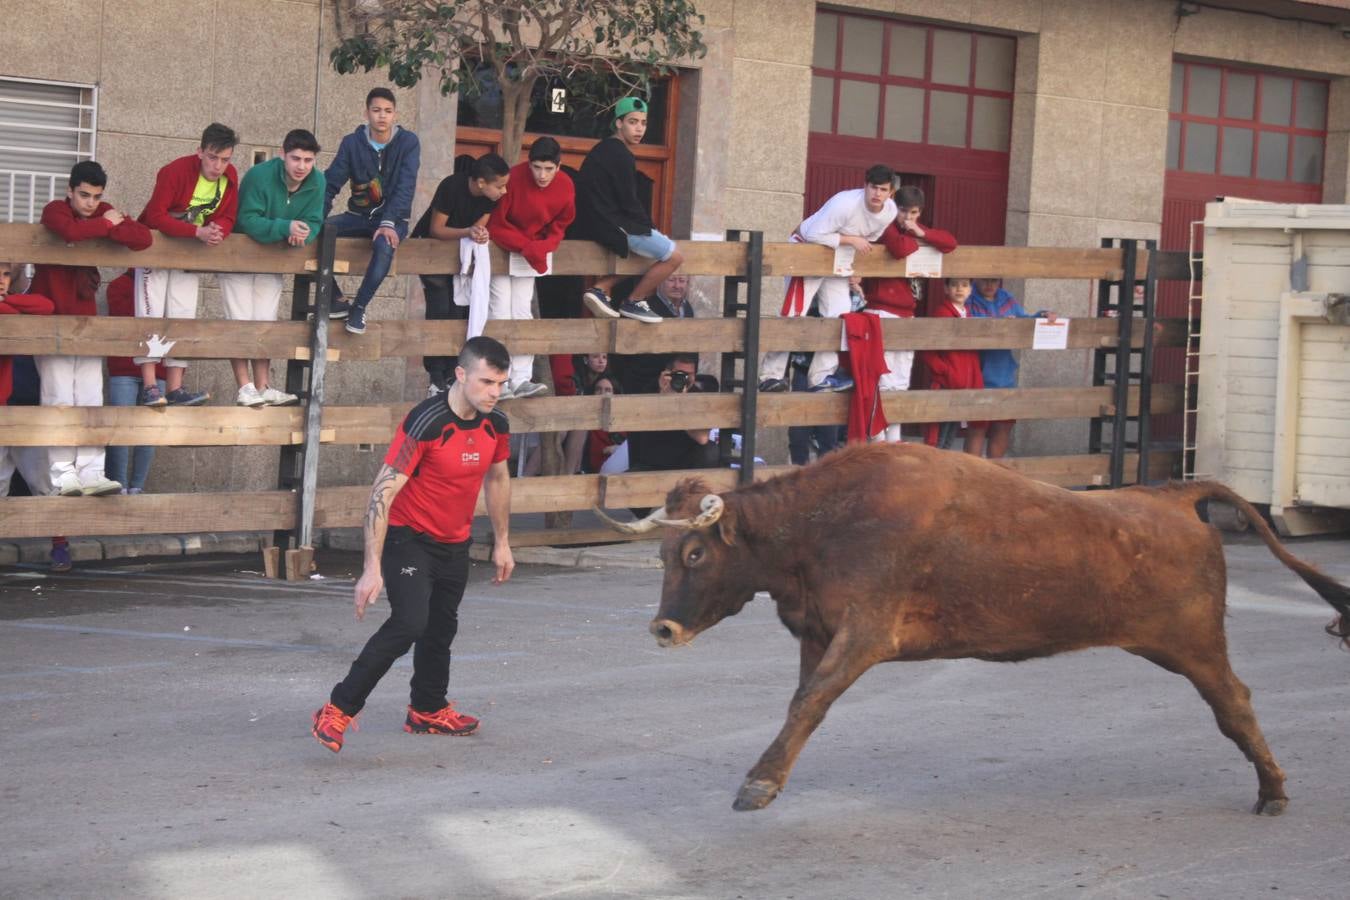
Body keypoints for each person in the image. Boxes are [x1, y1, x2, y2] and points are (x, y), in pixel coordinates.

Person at [311, 336, 515, 754]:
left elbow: (498, 479)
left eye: (501, 383)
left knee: (442, 627)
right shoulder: (427, 421)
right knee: (410, 622)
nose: (494, 392)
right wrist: (371, 567)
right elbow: (382, 492)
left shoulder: (496, 425)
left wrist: (503, 542)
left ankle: (427, 709)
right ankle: (338, 707)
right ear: (460, 375)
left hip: (455, 542)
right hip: (409, 540)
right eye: (487, 381)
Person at [32, 161, 152, 496]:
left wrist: (107, 222)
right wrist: (104, 224)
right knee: (58, 398)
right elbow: (68, 231)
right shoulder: (55, 209)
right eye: (83, 195)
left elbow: (141, 239)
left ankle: (91, 471)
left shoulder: (101, 211)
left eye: (96, 196)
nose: (89, 202)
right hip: (53, 323)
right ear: (70, 191)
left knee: (89, 398)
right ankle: (62, 473)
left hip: (86, 325)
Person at [759, 164, 898, 393]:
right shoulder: (844, 203)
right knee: (793, 313)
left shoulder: (890, 211)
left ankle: (821, 376)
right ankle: (769, 376)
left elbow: (869, 239)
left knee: (841, 314)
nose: (877, 194)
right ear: (865, 186)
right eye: (873, 188)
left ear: (890, 193)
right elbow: (813, 234)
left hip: (838, 258)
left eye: (883, 190)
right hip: (808, 250)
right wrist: (851, 240)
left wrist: (854, 266)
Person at [131, 122, 239, 407]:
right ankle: (151, 385)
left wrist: (219, 231)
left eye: (225, 159)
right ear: (200, 152)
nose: (218, 166)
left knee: (183, 316)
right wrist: (196, 232)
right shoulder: (174, 171)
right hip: (156, 251)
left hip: (190, 254)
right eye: (213, 157)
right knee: (151, 313)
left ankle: (175, 387)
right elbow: (155, 216)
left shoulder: (230, 178)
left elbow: (229, 215)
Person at [218, 128, 325, 407]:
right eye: (296, 159)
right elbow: (247, 220)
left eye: (308, 160)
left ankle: (263, 386)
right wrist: (284, 227)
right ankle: (245, 388)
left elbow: (315, 220)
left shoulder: (319, 181)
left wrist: (303, 233)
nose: (302, 166)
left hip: (272, 260)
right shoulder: (259, 176)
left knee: (266, 323)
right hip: (239, 257)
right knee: (239, 322)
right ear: (282, 155)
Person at [573, 97, 683, 324]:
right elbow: (629, 201)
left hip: (599, 222)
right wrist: (650, 229)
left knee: (651, 254)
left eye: (643, 123)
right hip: (613, 224)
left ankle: (602, 287)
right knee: (674, 256)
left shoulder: (604, 149)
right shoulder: (619, 154)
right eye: (633, 122)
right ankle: (634, 300)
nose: (639, 128)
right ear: (618, 123)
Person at [861, 184, 958, 443]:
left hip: (906, 314)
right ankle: (877, 441)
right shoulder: (885, 225)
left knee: (901, 380)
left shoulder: (915, 227)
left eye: (913, 212)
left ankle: (894, 440)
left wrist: (920, 232)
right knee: (880, 378)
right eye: (903, 211)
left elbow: (949, 243)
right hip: (880, 311)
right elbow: (899, 248)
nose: (907, 217)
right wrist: (916, 238)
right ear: (894, 206)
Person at [324, 87, 421, 335]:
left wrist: (388, 221)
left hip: (393, 219)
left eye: (388, 111)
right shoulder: (352, 143)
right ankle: (336, 298)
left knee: (384, 245)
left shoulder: (408, 143)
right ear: (366, 112)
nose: (382, 116)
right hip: (357, 216)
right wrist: (314, 217)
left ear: (395, 115)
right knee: (318, 232)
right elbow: (331, 183)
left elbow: (406, 185)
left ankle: (358, 307)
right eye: (376, 110)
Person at [411, 153, 509, 395]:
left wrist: (479, 234)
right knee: (440, 309)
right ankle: (435, 375)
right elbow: (436, 229)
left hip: (461, 259)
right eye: (500, 186)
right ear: (481, 183)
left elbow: (480, 226)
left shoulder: (491, 199)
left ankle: (450, 373)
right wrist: (468, 231)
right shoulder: (452, 186)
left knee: (458, 311)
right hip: (431, 251)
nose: (504, 191)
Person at [488, 137, 575, 399]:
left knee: (522, 310)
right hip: (501, 247)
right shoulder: (513, 178)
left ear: (559, 167)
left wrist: (543, 246)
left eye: (549, 169)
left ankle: (521, 378)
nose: (542, 175)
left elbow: (561, 224)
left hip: (532, 251)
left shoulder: (566, 186)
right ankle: (497, 378)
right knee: (500, 309)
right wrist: (528, 246)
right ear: (529, 163)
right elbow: (496, 223)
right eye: (537, 167)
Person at [965, 278, 1056, 459]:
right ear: (976, 279)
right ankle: (972, 474)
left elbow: (1024, 320)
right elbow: (968, 324)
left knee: (1003, 426)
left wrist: (1042, 316)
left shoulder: (1006, 299)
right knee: (978, 427)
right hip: (979, 374)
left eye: (994, 281)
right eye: (985, 281)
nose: (989, 285)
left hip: (1004, 374)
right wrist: (1000, 323)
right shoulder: (970, 300)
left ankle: (996, 472)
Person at [104, 277, 164, 493]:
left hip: (160, 370)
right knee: (120, 430)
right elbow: (123, 325)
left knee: (149, 433)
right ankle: (118, 487)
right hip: (124, 366)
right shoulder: (119, 285)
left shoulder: (166, 286)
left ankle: (137, 488)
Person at [916, 278, 983, 449]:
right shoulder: (942, 313)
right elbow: (927, 347)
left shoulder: (967, 313)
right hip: (946, 382)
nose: (959, 289)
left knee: (950, 434)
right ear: (946, 289)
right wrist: (944, 370)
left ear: (970, 290)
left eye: (964, 285)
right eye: (954, 285)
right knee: (938, 434)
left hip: (961, 384)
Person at [625, 352, 716, 472]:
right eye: (680, 374)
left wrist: (679, 402)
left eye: (689, 375)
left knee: (711, 450)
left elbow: (702, 438)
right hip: (654, 462)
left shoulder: (699, 395)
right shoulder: (651, 390)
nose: (684, 379)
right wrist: (663, 397)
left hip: (685, 462)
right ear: (668, 373)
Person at [610, 271, 695, 395]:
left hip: (677, 385)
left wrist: (691, 372)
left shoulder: (688, 309)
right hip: (644, 385)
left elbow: (694, 345)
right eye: (671, 280)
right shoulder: (645, 308)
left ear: (687, 283)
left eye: (682, 281)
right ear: (660, 281)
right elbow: (623, 351)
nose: (677, 285)